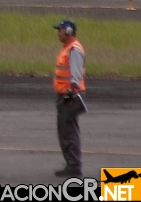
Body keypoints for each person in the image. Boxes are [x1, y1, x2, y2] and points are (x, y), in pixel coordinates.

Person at [52, 19, 86, 177]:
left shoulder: (74, 49)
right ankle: (71, 163)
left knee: (69, 132)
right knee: (65, 131)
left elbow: (76, 74)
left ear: (69, 32)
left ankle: (74, 165)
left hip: (69, 96)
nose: (58, 33)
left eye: (60, 30)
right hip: (65, 95)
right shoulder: (68, 48)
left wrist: (70, 93)